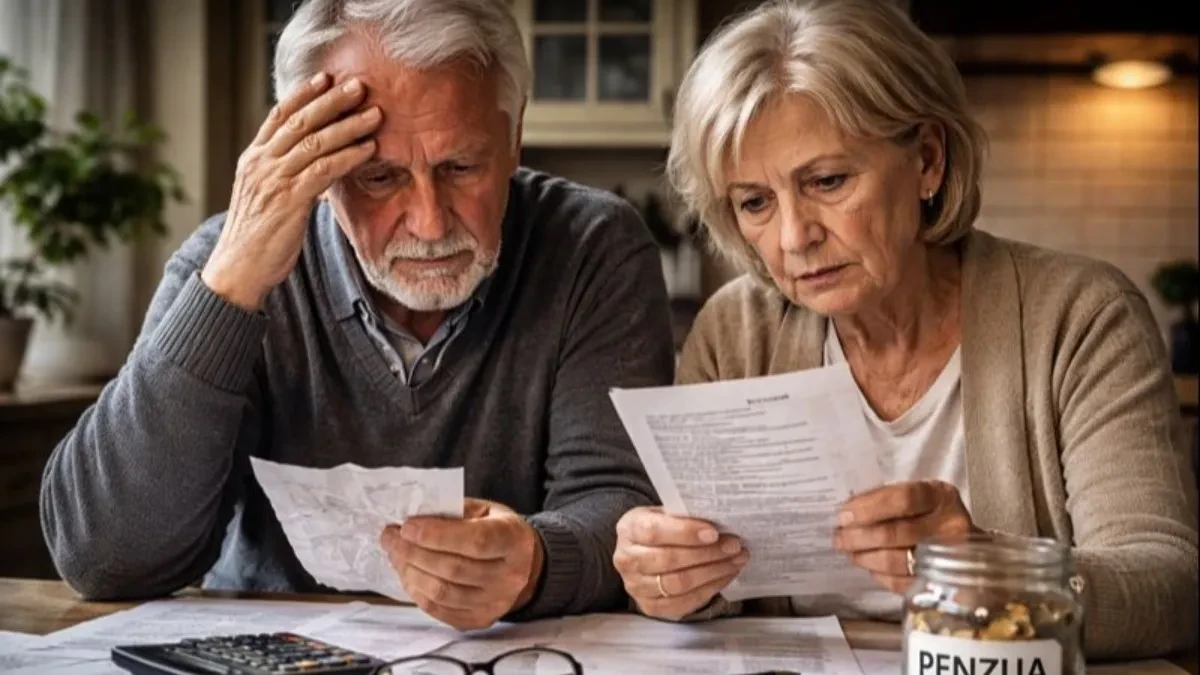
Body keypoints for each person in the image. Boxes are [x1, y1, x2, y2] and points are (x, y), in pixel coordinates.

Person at [40, 0, 675, 632]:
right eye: (378, 177)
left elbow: (624, 513)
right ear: (314, 164)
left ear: (513, 138)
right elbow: (103, 557)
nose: (429, 223)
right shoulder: (225, 264)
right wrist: (229, 291)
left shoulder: (593, 245)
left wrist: (535, 564)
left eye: (461, 167)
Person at [612, 0, 1198, 660]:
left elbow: (1168, 586)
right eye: (755, 201)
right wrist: (669, 575)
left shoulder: (1082, 315)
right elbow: (714, 591)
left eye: (828, 181)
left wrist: (980, 567)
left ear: (926, 160)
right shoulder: (736, 330)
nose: (793, 237)